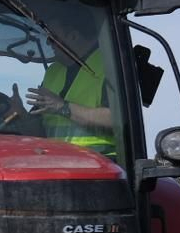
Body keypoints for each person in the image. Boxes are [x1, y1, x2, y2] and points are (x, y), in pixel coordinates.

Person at [24, 9, 117, 157]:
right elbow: (39, 128)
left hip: (101, 164)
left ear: (73, 36)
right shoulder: (53, 72)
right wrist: (20, 116)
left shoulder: (109, 65)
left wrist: (63, 107)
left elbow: (117, 120)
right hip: (56, 162)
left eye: (53, 37)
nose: (48, 42)